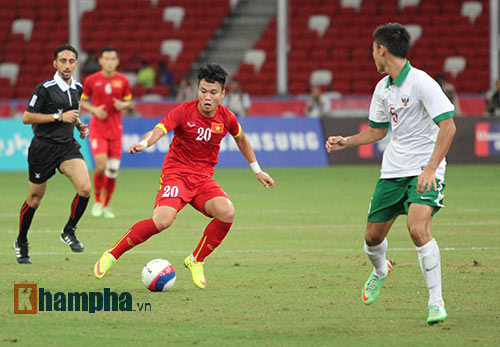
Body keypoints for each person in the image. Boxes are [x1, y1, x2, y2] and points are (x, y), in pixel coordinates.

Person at [94, 63, 274, 289]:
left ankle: (196, 259)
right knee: (162, 221)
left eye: (213, 92)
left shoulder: (226, 117)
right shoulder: (184, 111)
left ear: (223, 94)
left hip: (203, 179)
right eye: (203, 91)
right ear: (197, 90)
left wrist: (257, 170)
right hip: (176, 174)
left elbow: (241, 139)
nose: (207, 97)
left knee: (227, 212)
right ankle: (113, 254)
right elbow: (160, 129)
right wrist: (144, 143)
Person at [325, 23, 456, 325]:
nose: (372, 56)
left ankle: (435, 303)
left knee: (417, 229)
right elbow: (377, 130)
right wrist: (347, 141)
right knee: (371, 238)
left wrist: (431, 169)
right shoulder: (382, 88)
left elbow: (448, 126)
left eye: (373, 50)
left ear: (382, 50)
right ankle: (381, 269)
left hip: (424, 169)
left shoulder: (422, 82)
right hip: (393, 171)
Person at [15, 44, 91, 264]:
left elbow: (71, 113)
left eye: (71, 61)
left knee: (85, 188)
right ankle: (21, 241)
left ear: (76, 63)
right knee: (35, 199)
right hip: (43, 148)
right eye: (63, 61)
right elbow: (27, 117)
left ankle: (69, 230)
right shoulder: (44, 89)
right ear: (55, 64)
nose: (67, 65)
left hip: (67, 147)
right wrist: (58, 118)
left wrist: (79, 125)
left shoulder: (77, 87)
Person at [80, 47, 133, 219]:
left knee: (112, 170)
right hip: (98, 129)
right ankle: (96, 201)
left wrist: (122, 106)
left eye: (113, 59)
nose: (110, 62)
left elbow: (128, 101)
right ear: (101, 61)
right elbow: (82, 101)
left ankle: (106, 204)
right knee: (101, 166)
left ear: (117, 62)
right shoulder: (91, 80)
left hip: (116, 130)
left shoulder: (123, 80)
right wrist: (94, 109)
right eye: (106, 59)